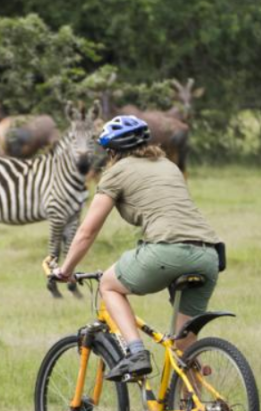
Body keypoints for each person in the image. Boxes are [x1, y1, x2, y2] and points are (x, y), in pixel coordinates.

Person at [49, 115, 221, 381]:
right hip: (209, 254)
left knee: (108, 284)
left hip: (167, 250)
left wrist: (65, 270)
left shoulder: (115, 172)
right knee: (183, 346)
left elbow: (87, 231)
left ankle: (137, 352)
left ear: (112, 151)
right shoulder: (169, 165)